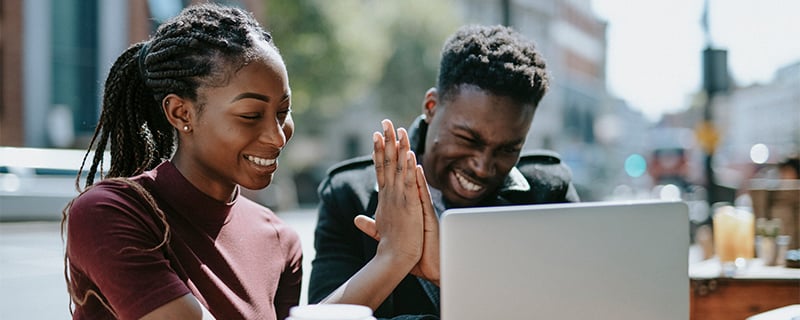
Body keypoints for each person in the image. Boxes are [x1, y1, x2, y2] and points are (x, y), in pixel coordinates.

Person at [62, 4, 432, 320]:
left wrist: (397, 255)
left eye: (283, 111)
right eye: (251, 115)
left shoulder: (280, 240)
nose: (277, 135)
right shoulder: (110, 212)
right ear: (180, 112)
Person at [309, 24, 580, 319]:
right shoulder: (349, 196)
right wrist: (394, 257)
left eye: (507, 149)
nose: (483, 166)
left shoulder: (549, 194)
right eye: (468, 139)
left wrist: (449, 276)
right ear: (431, 106)